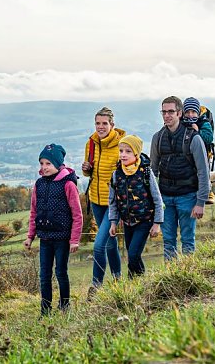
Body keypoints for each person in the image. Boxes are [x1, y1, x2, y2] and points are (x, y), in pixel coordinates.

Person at [24, 143, 83, 316]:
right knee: (44, 275)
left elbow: (77, 214)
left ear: (58, 164)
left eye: (48, 164)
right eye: (41, 163)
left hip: (62, 238)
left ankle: (64, 306)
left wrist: (74, 239)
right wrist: (30, 236)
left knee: (60, 272)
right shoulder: (39, 184)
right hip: (45, 238)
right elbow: (34, 211)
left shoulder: (68, 184)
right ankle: (45, 309)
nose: (44, 167)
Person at [150, 96, 210, 260]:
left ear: (179, 113)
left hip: (188, 196)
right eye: (164, 112)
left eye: (171, 111)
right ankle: (170, 280)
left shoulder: (193, 138)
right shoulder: (158, 138)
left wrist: (201, 202)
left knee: (188, 241)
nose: (167, 115)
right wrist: (153, 201)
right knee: (168, 241)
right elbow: (153, 172)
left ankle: (189, 277)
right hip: (165, 198)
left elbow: (203, 171)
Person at [81, 106, 124, 295]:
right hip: (96, 200)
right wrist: (86, 168)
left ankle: (96, 286)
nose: (100, 127)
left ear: (112, 125)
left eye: (104, 123)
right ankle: (118, 280)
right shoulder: (91, 143)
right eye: (97, 123)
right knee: (110, 242)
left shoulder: (122, 143)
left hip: (114, 203)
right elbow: (88, 172)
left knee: (99, 245)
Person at [108, 134, 163, 277]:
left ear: (136, 153)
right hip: (127, 222)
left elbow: (157, 198)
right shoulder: (116, 174)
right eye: (121, 151)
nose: (123, 155)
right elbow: (113, 201)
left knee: (132, 254)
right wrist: (113, 222)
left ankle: (139, 282)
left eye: (128, 151)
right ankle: (136, 284)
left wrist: (157, 223)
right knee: (133, 256)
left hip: (144, 220)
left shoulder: (145, 172)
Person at [181, 97, 215, 205]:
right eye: (187, 112)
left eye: (193, 112)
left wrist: (198, 131)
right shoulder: (181, 122)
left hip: (204, 152)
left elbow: (209, 138)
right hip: (187, 152)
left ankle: (208, 192)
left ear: (198, 112)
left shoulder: (204, 122)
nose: (190, 115)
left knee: (203, 171)